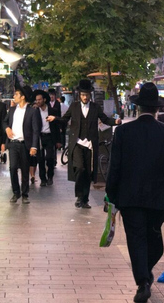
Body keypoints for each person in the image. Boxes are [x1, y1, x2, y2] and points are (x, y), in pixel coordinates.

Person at [106, 82, 164, 303]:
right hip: (157, 197)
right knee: (154, 239)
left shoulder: (123, 131)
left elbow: (115, 166)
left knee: (136, 239)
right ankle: (144, 278)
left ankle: (143, 278)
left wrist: (110, 195)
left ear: (138, 107)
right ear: (156, 109)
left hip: (129, 196)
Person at [49, 79, 120, 209]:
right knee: (80, 168)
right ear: (79, 95)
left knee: (88, 172)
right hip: (77, 143)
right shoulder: (74, 106)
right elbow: (65, 119)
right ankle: (79, 196)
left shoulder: (95, 107)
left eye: (87, 95)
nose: (85, 97)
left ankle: (85, 199)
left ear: (90, 95)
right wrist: (55, 119)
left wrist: (116, 122)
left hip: (90, 144)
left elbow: (105, 119)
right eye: (82, 95)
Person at [4, 85, 39, 203]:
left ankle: (25, 194)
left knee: (25, 170)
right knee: (13, 168)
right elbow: (4, 122)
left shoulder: (32, 111)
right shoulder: (12, 110)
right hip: (13, 144)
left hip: (25, 145)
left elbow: (35, 130)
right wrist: (7, 129)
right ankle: (15, 192)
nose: (14, 96)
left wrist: (34, 146)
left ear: (22, 97)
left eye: (16, 94)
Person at [33, 89, 59, 187]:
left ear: (44, 100)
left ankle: (50, 176)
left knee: (49, 158)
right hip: (39, 137)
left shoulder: (52, 110)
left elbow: (57, 126)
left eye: (39, 100)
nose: (38, 101)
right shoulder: (35, 111)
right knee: (40, 159)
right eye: (36, 100)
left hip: (49, 137)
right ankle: (43, 179)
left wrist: (58, 141)